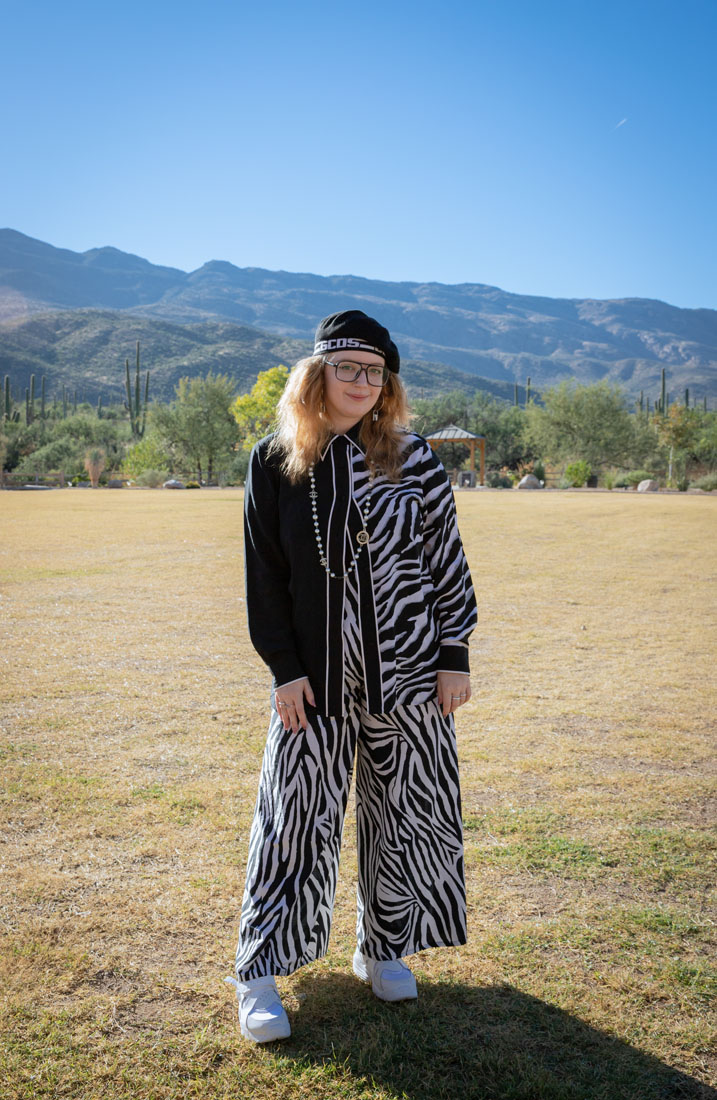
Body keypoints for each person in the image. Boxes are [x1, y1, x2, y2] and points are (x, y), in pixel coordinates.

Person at [230, 310, 477, 1042]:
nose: (363, 383)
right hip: (317, 680)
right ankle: (258, 970)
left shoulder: (415, 457)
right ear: (317, 375)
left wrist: (453, 656)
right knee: (292, 823)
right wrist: (283, 670)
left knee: (403, 817)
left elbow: (446, 560)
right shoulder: (277, 459)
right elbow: (264, 578)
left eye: (376, 373)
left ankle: (385, 949)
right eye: (349, 369)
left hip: (408, 675)